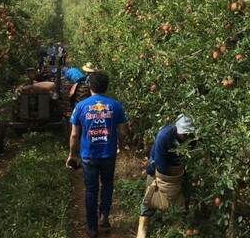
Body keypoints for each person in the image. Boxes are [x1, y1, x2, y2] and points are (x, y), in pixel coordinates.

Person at [66, 71, 127, 238]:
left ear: (90, 86)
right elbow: (122, 132)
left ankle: (92, 228)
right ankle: (104, 218)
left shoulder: (81, 106)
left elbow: (74, 135)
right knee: (107, 185)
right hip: (108, 154)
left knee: (91, 190)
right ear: (106, 86)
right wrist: (120, 147)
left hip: (89, 156)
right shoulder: (116, 105)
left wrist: (72, 154)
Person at [136, 114, 196, 238]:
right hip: (158, 166)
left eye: (188, 134)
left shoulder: (192, 137)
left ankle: (177, 225)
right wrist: (166, 182)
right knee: (150, 197)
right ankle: (142, 228)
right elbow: (160, 163)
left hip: (179, 168)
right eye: (183, 134)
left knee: (183, 196)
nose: (185, 136)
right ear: (177, 128)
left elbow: (190, 156)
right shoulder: (164, 136)